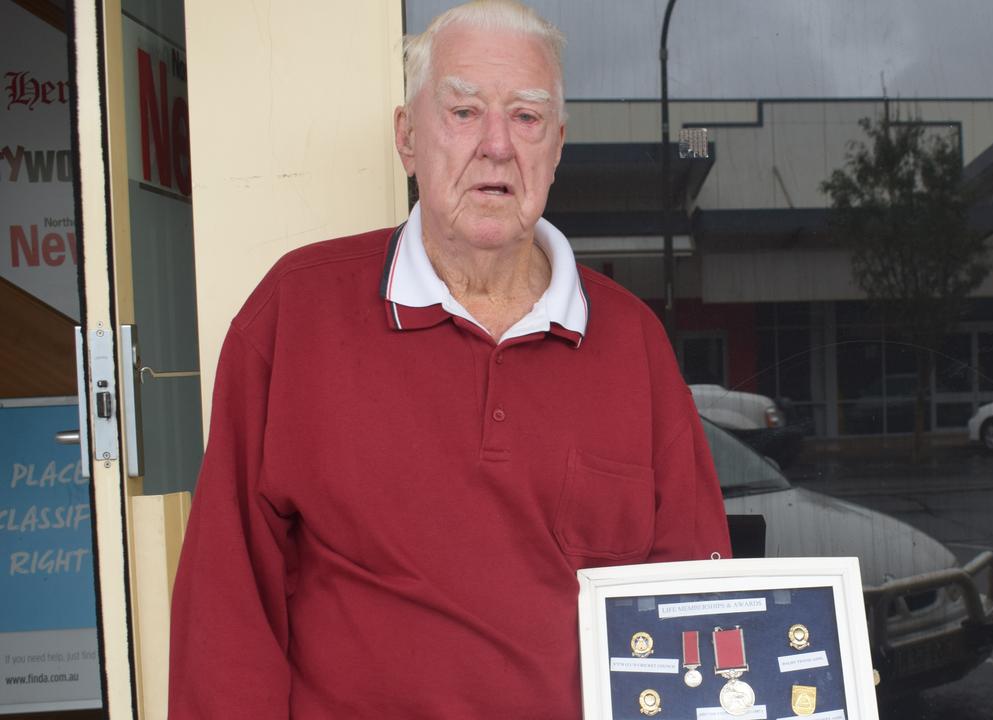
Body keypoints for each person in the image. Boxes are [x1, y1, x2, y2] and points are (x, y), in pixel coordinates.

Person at [166, 1, 731, 717]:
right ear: (407, 138)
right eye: (463, 111)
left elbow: (694, 598)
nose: (497, 145)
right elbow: (227, 603)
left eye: (526, 118)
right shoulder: (294, 312)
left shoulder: (632, 342)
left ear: (557, 146)